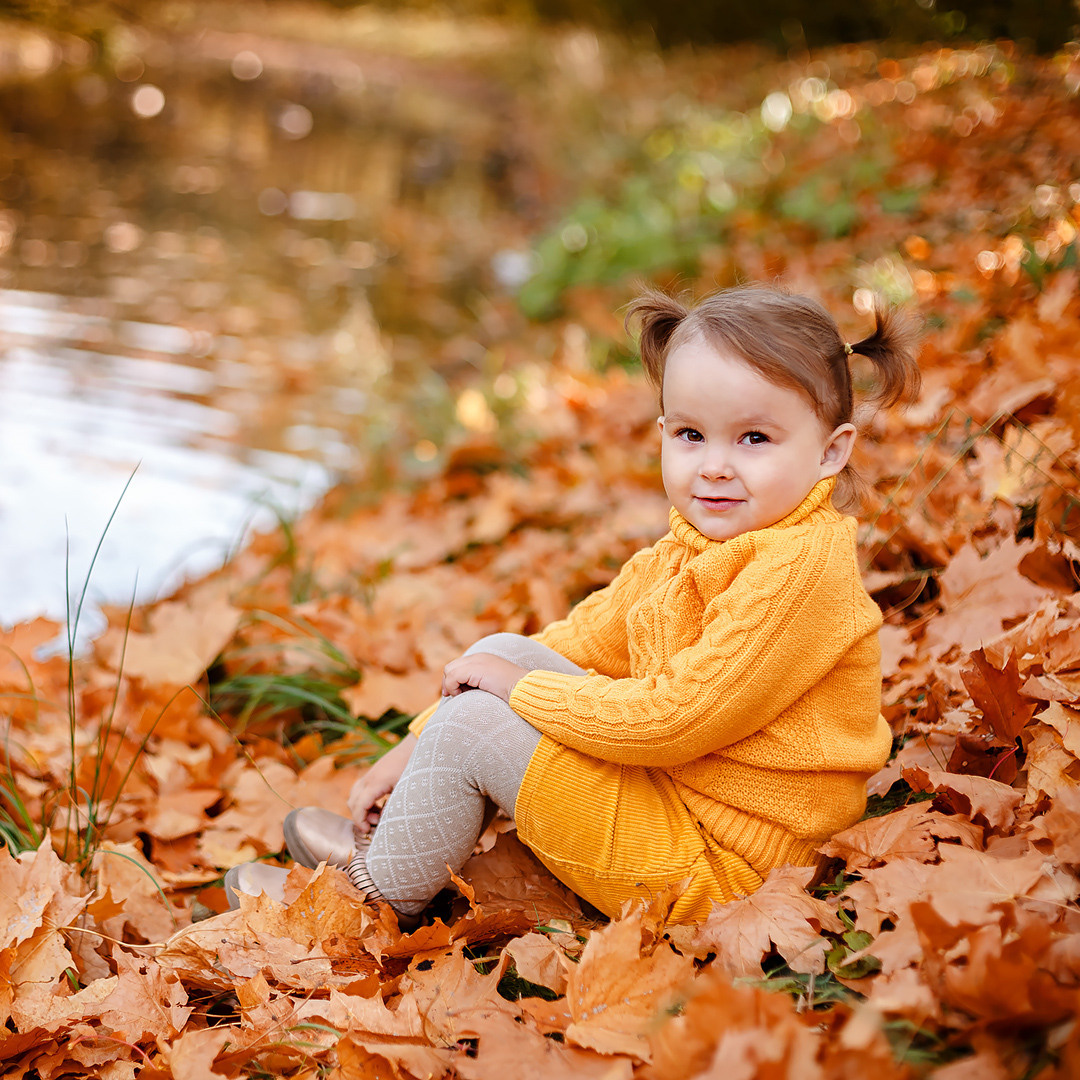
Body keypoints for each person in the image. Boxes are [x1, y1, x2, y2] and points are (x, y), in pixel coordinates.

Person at [225, 283, 921, 925]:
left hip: (730, 871)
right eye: (689, 434)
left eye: (754, 439)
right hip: (679, 806)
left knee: (483, 715)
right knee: (500, 652)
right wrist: (413, 744)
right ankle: (405, 833)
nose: (713, 465)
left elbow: (677, 717)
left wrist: (518, 692)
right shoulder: (695, 551)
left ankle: (367, 905)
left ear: (831, 453)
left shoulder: (796, 572)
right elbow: (576, 643)